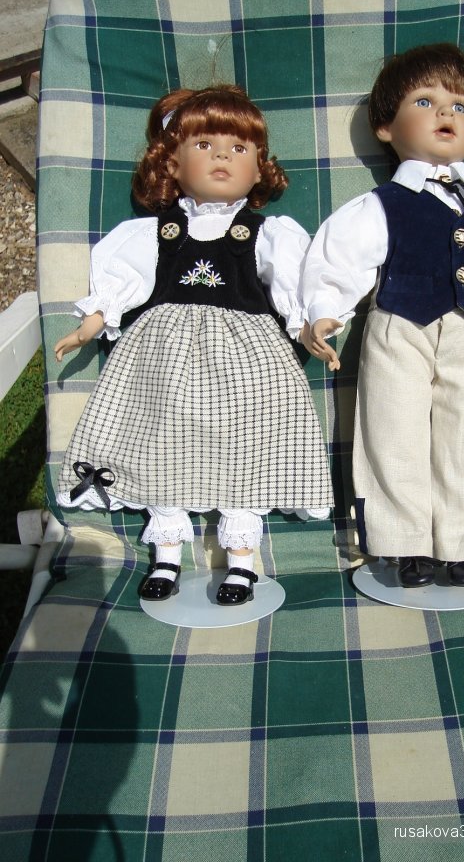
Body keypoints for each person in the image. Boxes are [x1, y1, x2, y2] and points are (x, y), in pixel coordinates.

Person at [55, 85, 333, 606]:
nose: (222, 156)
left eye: (238, 148)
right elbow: (122, 284)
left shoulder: (266, 234)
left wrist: (308, 328)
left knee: (247, 454)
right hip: (164, 363)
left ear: (258, 168)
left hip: (247, 366)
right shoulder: (154, 234)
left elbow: (293, 290)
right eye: (204, 145)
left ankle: (241, 564)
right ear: (172, 163)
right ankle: (166, 557)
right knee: (159, 447)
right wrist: (89, 324)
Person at [302, 43, 464, 589]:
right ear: (385, 127)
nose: (445, 112)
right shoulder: (380, 206)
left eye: (459, 106)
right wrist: (325, 313)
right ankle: (405, 545)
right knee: (392, 432)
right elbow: (339, 261)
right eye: (424, 101)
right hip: (399, 330)